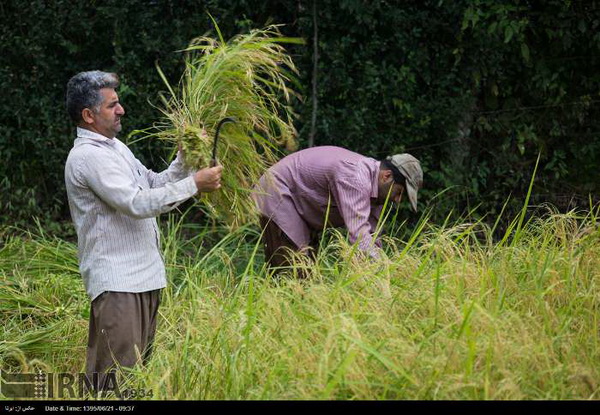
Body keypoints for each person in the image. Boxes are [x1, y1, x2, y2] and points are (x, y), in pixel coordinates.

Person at [64, 70, 223, 387]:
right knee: (114, 383)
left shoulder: (115, 148)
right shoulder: (87, 157)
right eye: (112, 105)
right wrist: (195, 184)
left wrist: (185, 157)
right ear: (88, 115)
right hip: (119, 282)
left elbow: (153, 183)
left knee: (133, 378)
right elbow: (137, 204)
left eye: (117, 102)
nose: (121, 109)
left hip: (144, 278)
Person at [253, 145, 422, 274]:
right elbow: (359, 236)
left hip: (302, 210)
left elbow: (373, 238)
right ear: (386, 176)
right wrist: (383, 273)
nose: (398, 201)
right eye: (399, 192)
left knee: (307, 274)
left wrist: (384, 269)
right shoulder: (356, 178)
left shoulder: (377, 196)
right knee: (296, 274)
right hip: (278, 192)